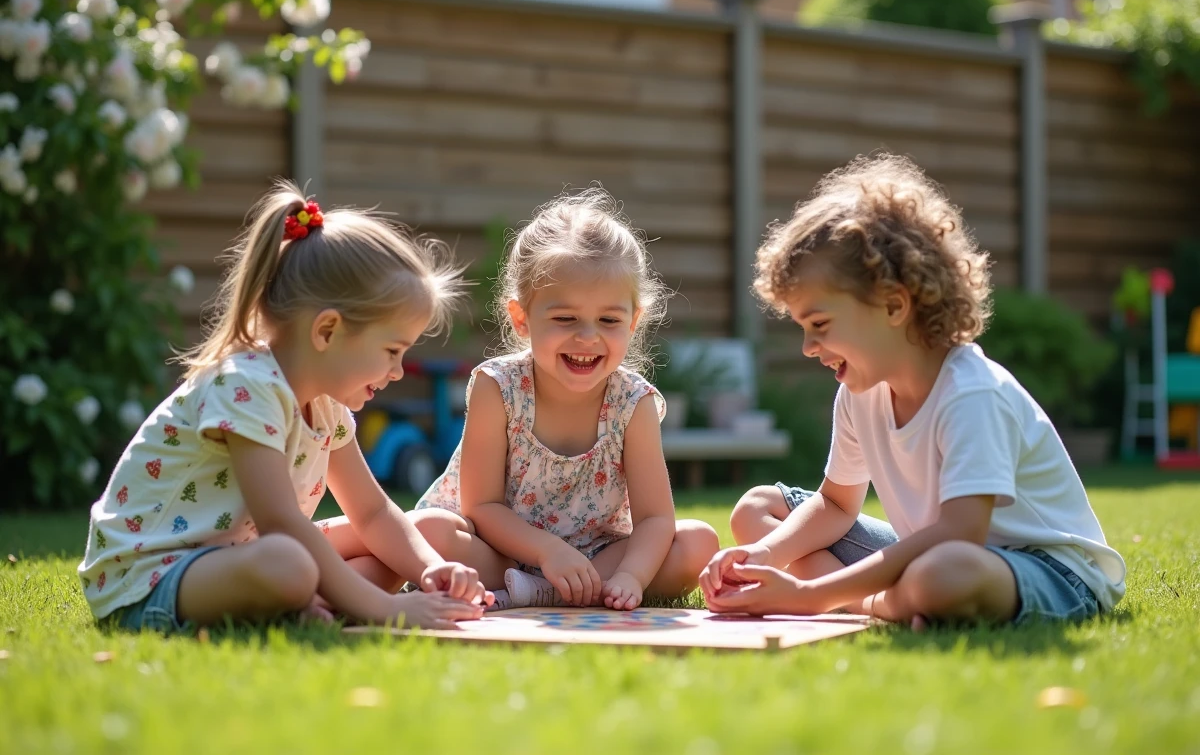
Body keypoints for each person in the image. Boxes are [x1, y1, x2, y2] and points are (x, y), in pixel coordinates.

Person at [700, 153, 1126, 628]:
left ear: (894, 305)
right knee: (759, 508)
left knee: (942, 575)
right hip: (933, 551)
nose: (807, 347)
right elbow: (838, 504)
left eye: (819, 323)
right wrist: (761, 555)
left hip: (1045, 570)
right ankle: (886, 605)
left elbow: (961, 533)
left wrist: (807, 595)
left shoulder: (970, 393)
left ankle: (854, 601)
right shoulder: (860, 392)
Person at [79, 180, 491, 633]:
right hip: (154, 578)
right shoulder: (246, 386)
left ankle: (313, 606)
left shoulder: (326, 405)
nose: (397, 371)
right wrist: (387, 610)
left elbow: (372, 513)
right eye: (392, 351)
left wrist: (431, 569)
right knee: (288, 563)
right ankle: (323, 600)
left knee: (423, 528)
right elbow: (280, 522)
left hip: (240, 556)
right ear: (327, 331)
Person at [412, 187, 719, 611]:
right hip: (498, 551)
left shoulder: (634, 403)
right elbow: (481, 506)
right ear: (522, 318)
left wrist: (632, 575)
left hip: (597, 558)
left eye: (609, 320)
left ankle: (537, 595)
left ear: (633, 323)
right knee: (428, 531)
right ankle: (530, 586)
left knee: (698, 541)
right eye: (565, 318)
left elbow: (655, 519)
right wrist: (547, 552)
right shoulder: (498, 387)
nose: (588, 337)